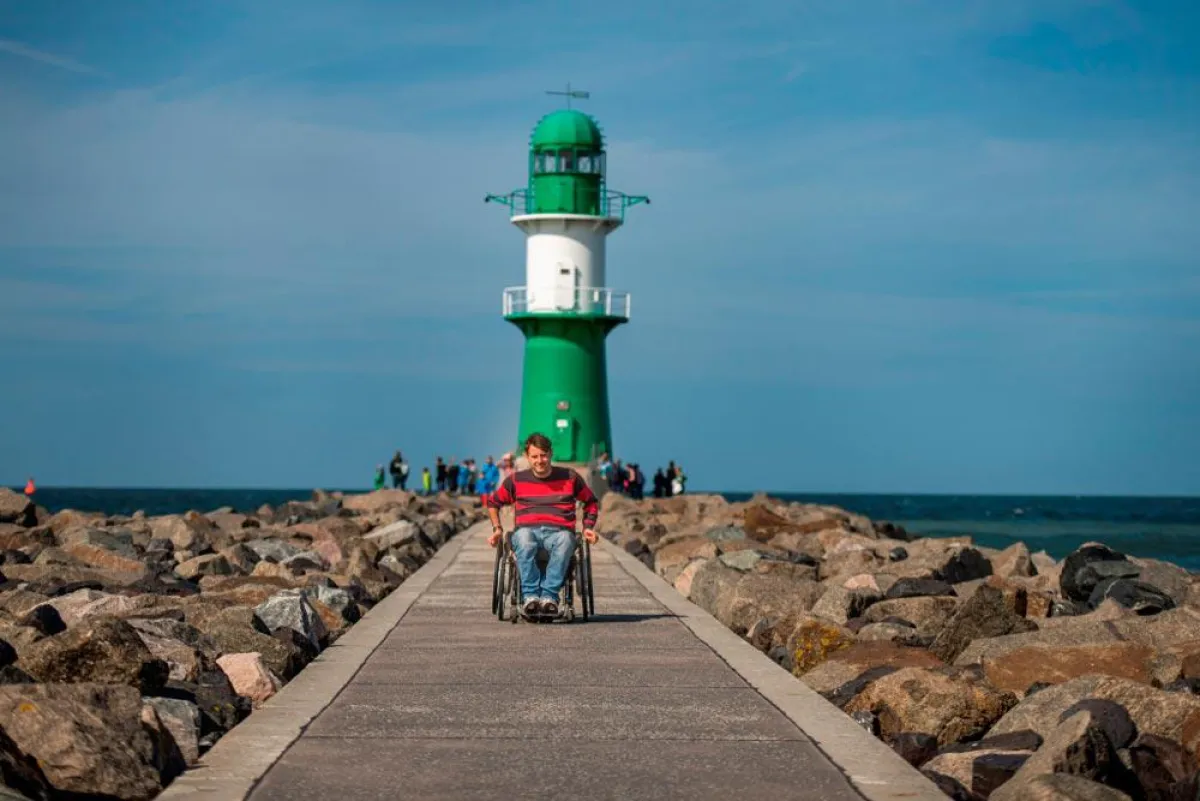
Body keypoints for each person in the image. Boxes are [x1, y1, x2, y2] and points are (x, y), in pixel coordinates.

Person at [487, 432, 599, 618]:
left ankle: (549, 597)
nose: (540, 460)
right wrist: (497, 529)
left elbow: (591, 503)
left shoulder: (570, 477)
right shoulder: (516, 480)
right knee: (523, 538)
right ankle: (530, 596)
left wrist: (588, 527)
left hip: (560, 532)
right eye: (535, 456)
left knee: (565, 540)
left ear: (551, 453)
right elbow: (493, 503)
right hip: (527, 531)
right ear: (527, 456)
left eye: (544, 455)